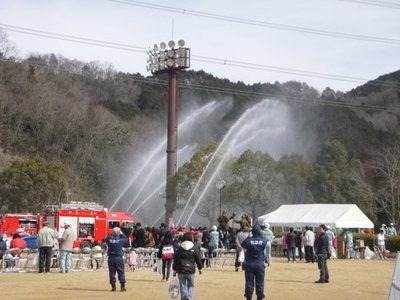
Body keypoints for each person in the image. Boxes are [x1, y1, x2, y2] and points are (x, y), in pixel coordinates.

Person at [173, 232, 203, 300]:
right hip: (191, 270)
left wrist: (174, 269)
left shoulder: (179, 248)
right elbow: (198, 259)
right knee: (191, 285)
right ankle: (189, 296)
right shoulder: (194, 248)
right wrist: (200, 268)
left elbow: (175, 259)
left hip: (181, 270)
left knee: (182, 287)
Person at [241, 224, 267, 300]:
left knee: (249, 281)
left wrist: (249, 236)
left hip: (249, 263)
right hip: (259, 263)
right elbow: (264, 245)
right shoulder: (263, 240)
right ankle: (259, 296)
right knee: (260, 282)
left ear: (252, 231)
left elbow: (242, 246)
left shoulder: (248, 240)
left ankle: (248, 296)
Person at [105, 227, 129, 292]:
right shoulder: (121, 240)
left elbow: (106, 238)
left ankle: (113, 287)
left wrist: (112, 233)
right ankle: (122, 287)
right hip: (118, 258)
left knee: (112, 273)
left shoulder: (109, 239)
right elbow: (126, 239)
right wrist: (121, 233)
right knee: (121, 272)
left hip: (111, 258)